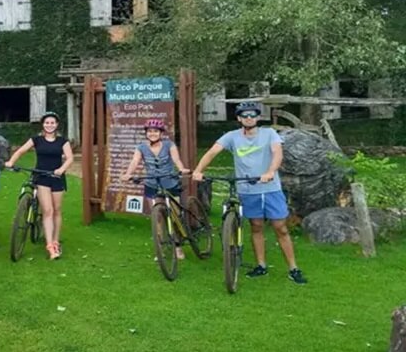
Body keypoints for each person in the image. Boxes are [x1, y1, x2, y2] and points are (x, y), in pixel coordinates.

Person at [192, 101, 307, 285]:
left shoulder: (269, 134)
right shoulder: (232, 137)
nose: (248, 118)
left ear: (258, 117)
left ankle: (294, 268)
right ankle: (261, 265)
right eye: (244, 115)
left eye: (252, 115)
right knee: (256, 226)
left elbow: (277, 153)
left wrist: (270, 172)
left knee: (280, 227)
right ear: (239, 118)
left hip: (270, 188)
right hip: (247, 189)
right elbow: (212, 152)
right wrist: (198, 170)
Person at [5, 111, 74, 260]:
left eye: (52, 123)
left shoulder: (63, 141)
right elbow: (21, 150)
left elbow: (70, 158)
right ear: (43, 124)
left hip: (57, 178)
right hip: (41, 177)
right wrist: (11, 161)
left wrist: (61, 170)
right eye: (47, 123)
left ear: (56, 125)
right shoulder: (36, 139)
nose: (50, 125)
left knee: (57, 210)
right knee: (47, 210)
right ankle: (50, 245)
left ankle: (56, 240)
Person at [119, 118, 190, 260]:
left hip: (169, 183)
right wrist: (128, 174)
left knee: (175, 216)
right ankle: (160, 248)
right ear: (146, 133)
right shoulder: (141, 148)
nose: (152, 134)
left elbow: (176, 159)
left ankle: (178, 246)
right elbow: (135, 161)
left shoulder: (169, 145)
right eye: (150, 131)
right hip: (152, 185)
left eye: (155, 131)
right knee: (157, 217)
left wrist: (181, 169)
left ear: (161, 133)